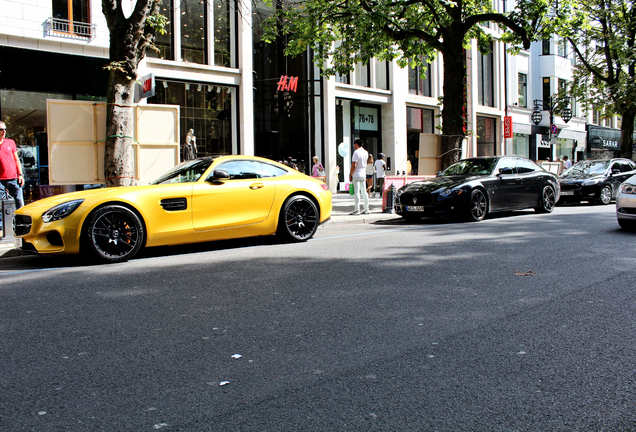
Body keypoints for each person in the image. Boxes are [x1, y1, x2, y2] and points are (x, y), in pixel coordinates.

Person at [0, 120, 25, 209]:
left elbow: (16, 160)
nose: (4, 132)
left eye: (5, 129)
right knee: (2, 205)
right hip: (0, 180)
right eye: (1, 129)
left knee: (19, 202)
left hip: (14, 178)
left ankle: (22, 222)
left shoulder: (10, 142)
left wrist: (20, 175)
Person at [349, 139, 369, 215]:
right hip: (363, 173)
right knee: (364, 192)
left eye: (354, 144)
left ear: (356, 144)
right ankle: (366, 209)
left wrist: (350, 174)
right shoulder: (366, 152)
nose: (354, 146)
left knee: (357, 192)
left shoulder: (356, 152)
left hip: (356, 173)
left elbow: (354, 165)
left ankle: (357, 209)